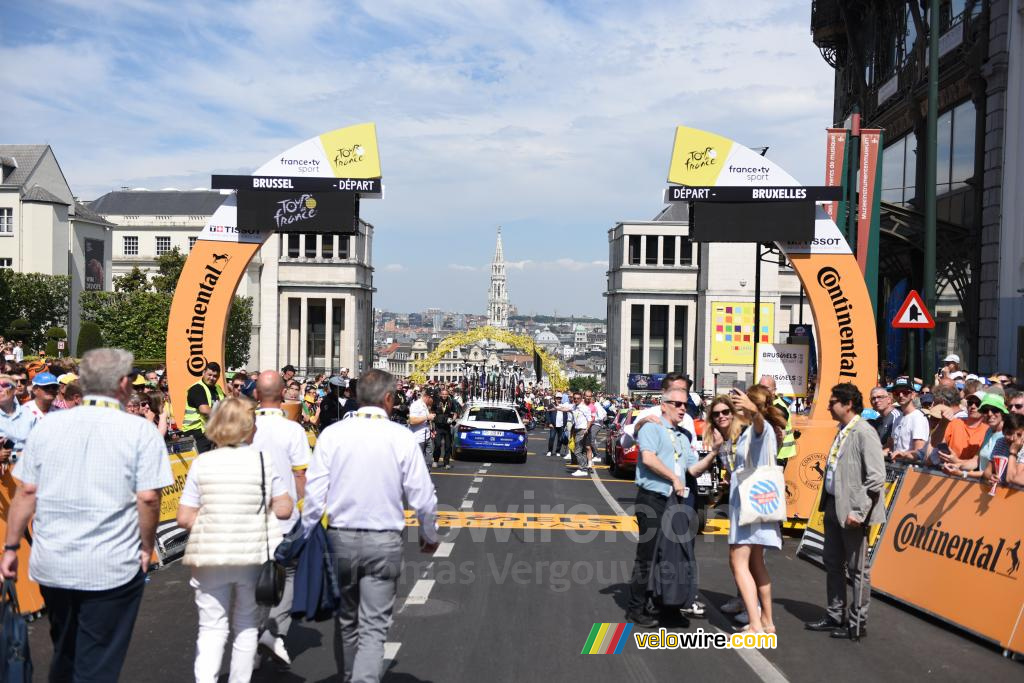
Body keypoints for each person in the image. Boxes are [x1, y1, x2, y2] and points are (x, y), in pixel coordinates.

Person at [1, 348, 172, 681]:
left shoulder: (48, 426)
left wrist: (10, 548)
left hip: (54, 563)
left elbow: (27, 491)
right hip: (110, 566)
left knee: (65, 653)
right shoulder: (140, 431)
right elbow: (149, 498)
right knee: (96, 663)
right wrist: (146, 547)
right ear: (123, 384)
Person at [301, 369, 439, 682]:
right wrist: (428, 534)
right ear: (389, 398)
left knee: (347, 621)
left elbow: (314, 493)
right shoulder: (401, 437)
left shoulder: (333, 435)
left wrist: (309, 535)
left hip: (339, 539)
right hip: (383, 540)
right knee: (374, 626)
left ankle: (351, 675)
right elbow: (423, 495)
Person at [176, 397, 293, 683]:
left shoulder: (202, 462)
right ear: (248, 426)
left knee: (211, 627)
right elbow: (284, 508)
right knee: (246, 625)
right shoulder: (263, 462)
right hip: (251, 552)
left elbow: (184, 516)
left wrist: (210, 523)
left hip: (209, 553)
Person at [804, 384, 886, 641]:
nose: (829, 405)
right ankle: (834, 614)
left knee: (857, 569)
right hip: (833, 506)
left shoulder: (864, 432)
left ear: (848, 404)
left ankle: (856, 623)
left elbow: (876, 478)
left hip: (852, 512)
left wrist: (859, 512)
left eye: (833, 401)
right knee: (832, 563)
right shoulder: (843, 430)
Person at [251, 370, 311, 666]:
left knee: (251, 579)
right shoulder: (293, 430)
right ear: (283, 395)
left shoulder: (244, 426)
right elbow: (301, 474)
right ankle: (273, 630)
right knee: (286, 576)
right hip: (285, 516)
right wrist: (307, 508)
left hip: (248, 517)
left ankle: (251, 637)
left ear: (255, 394)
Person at [624, 385, 690, 628]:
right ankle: (635, 608)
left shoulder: (680, 435)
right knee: (648, 556)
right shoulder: (652, 426)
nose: (683, 408)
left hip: (674, 502)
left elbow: (691, 467)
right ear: (664, 405)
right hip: (652, 498)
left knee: (670, 558)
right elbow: (649, 458)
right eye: (677, 404)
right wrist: (673, 478)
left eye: (685, 405)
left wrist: (714, 451)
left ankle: (665, 607)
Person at [724, 385, 786, 635]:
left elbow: (761, 427)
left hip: (750, 503)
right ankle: (766, 621)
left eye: (743, 400)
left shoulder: (761, 428)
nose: (737, 403)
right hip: (757, 500)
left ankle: (756, 624)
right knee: (756, 563)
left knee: (739, 562)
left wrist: (754, 412)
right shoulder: (754, 430)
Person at [183, 361, 226, 453]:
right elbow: (204, 409)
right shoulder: (197, 388)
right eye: (209, 375)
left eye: (215, 376)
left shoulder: (217, 388)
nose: (212, 378)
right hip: (196, 432)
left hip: (210, 432)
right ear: (203, 373)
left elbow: (227, 404)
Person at [887, 376, 929, 462]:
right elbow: (891, 447)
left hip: (910, 470)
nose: (901, 395)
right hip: (897, 469)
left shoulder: (918, 418)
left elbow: (919, 452)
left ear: (913, 395)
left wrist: (903, 454)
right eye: (897, 393)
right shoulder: (898, 418)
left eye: (905, 392)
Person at [758, 376, 797, 466]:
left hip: (776, 457)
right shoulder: (765, 405)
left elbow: (779, 436)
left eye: (766, 388)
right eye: (760, 387)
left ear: (774, 390)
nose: (762, 391)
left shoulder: (779, 407)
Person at [0, 373, 36, 464]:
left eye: (4, 385)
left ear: (15, 390)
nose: (0, 389)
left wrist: (12, 457)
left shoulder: (29, 414)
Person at [432, 387, 459, 469]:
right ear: (440, 394)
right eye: (443, 394)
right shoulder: (436, 401)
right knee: (437, 444)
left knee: (448, 446)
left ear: (448, 395)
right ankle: (435, 461)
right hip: (438, 426)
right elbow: (432, 412)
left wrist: (453, 419)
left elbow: (455, 413)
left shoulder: (451, 402)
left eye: (446, 394)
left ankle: (446, 463)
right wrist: (432, 424)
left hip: (447, 427)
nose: (444, 396)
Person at [408, 389, 435, 463]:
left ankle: (427, 473)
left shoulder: (425, 405)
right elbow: (412, 421)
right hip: (419, 438)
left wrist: (431, 430)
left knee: (428, 462)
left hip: (427, 436)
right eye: (431, 398)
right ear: (426, 397)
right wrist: (427, 417)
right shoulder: (416, 405)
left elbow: (426, 421)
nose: (432, 400)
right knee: (418, 462)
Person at [569, 391, 593, 476]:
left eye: (578, 398)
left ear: (581, 398)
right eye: (574, 398)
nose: (576, 400)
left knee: (577, 451)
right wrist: (557, 408)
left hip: (582, 430)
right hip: (577, 430)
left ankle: (583, 469)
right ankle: (584, 467)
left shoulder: (585, 408)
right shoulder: (574, 407)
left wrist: (586, 429)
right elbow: (566, 408)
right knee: (581, 450)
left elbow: (590, 419)